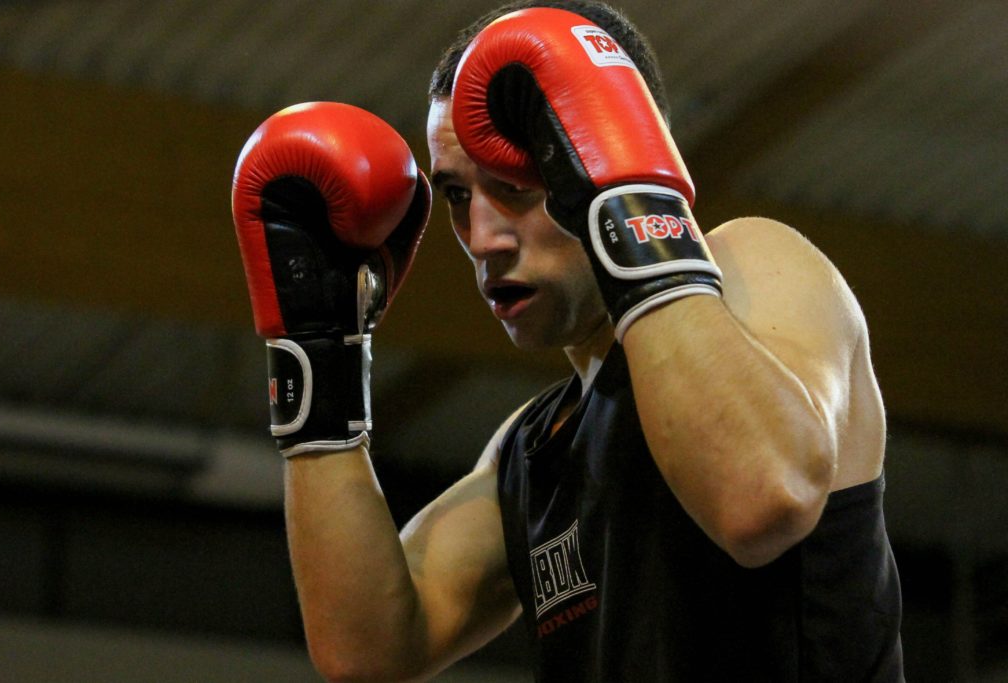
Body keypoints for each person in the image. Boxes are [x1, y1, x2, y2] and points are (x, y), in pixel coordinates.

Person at [231, 1, 904, 680]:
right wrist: (319, 350)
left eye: (516, 185)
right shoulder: (531, 453)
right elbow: (369, 648)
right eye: (459, 197)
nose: (485, 239)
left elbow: (764, 499)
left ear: (599, 151)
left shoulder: (756, 264)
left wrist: (629, 205)